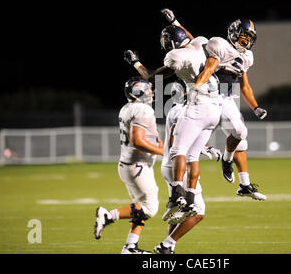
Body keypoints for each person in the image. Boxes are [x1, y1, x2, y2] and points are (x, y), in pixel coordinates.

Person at [161, 8, 267, 201]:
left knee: (241, 136)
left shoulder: (247, 57)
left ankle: (237, 175)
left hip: (226, 99)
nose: (246, 41)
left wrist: (255, 107)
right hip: (208, 97)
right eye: (243, 36)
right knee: (191, 143)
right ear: (234, 33)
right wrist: (176, 23)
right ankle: (185, 190)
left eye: (249, 37)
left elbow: (245, 85)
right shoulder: (219, 44)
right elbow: (193, 43)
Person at [124, 22, 223, 225]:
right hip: (216, 106)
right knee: (192, 155)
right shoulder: (201, 44)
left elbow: (151, 76)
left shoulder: (176, 59)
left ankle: (177, 195)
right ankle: (188, 200)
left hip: (199, 105)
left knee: (179, 151)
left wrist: (135, 62)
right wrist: (176, 22)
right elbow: (190, 39)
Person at [94, 76, 164, 254]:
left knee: (139, 207)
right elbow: (137, 141)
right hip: (137, 165)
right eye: (147, 89)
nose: (151, 92)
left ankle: (130, 247)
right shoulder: (143, 110)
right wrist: (163, 151)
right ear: (137, 91)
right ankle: (108, 216)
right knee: (149, 208)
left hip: (130, 165)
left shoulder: (127, 108)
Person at [154, 79, 221, 254]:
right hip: (178, 168)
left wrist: (205, 148)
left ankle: (169, 248)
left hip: (169, 165)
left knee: (178, 212)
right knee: (198, 212)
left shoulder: (175, 109)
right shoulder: (185, 110)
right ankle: (167, 244)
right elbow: (177, 142)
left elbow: (184, 137)